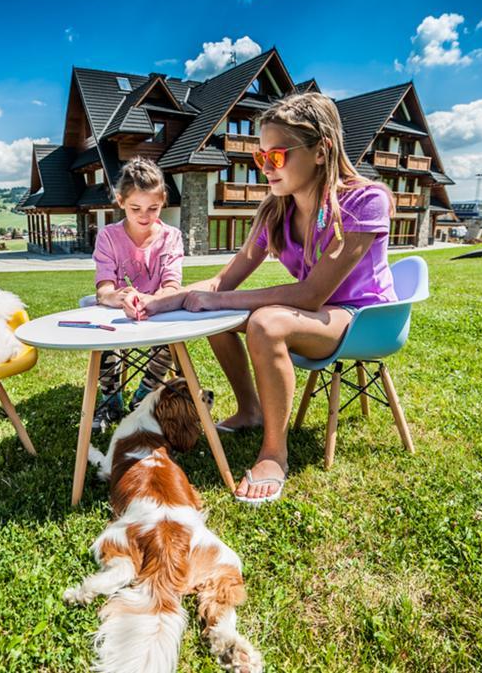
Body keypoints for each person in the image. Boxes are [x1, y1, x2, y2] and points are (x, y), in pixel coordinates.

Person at [128, 92, 397, 504]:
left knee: (265, 321)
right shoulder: (276, 212)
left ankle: (274, 452)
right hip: (321, 315)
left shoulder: (364, 200)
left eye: (276, 157)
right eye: (260, 158)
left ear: (321, 151)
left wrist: (221, 301)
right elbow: (224, 281)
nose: (265, 169)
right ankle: (251, 410)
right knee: (217, 316)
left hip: (364, 317)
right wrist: (162, 300)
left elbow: (311, 294)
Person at [90, 157, 184, 432]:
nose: (145, 216)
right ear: (120, 201)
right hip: (117, 314)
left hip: (158, 309)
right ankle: (110, 400)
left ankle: (145, 396)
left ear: (163, 200)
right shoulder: (108, 236)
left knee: (171, 338)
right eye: (135, 208)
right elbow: (104, 288)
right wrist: (120, 298)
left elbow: (171, 284)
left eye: (153, 208)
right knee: (104, 336)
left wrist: (153, 301)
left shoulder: (171, 236)